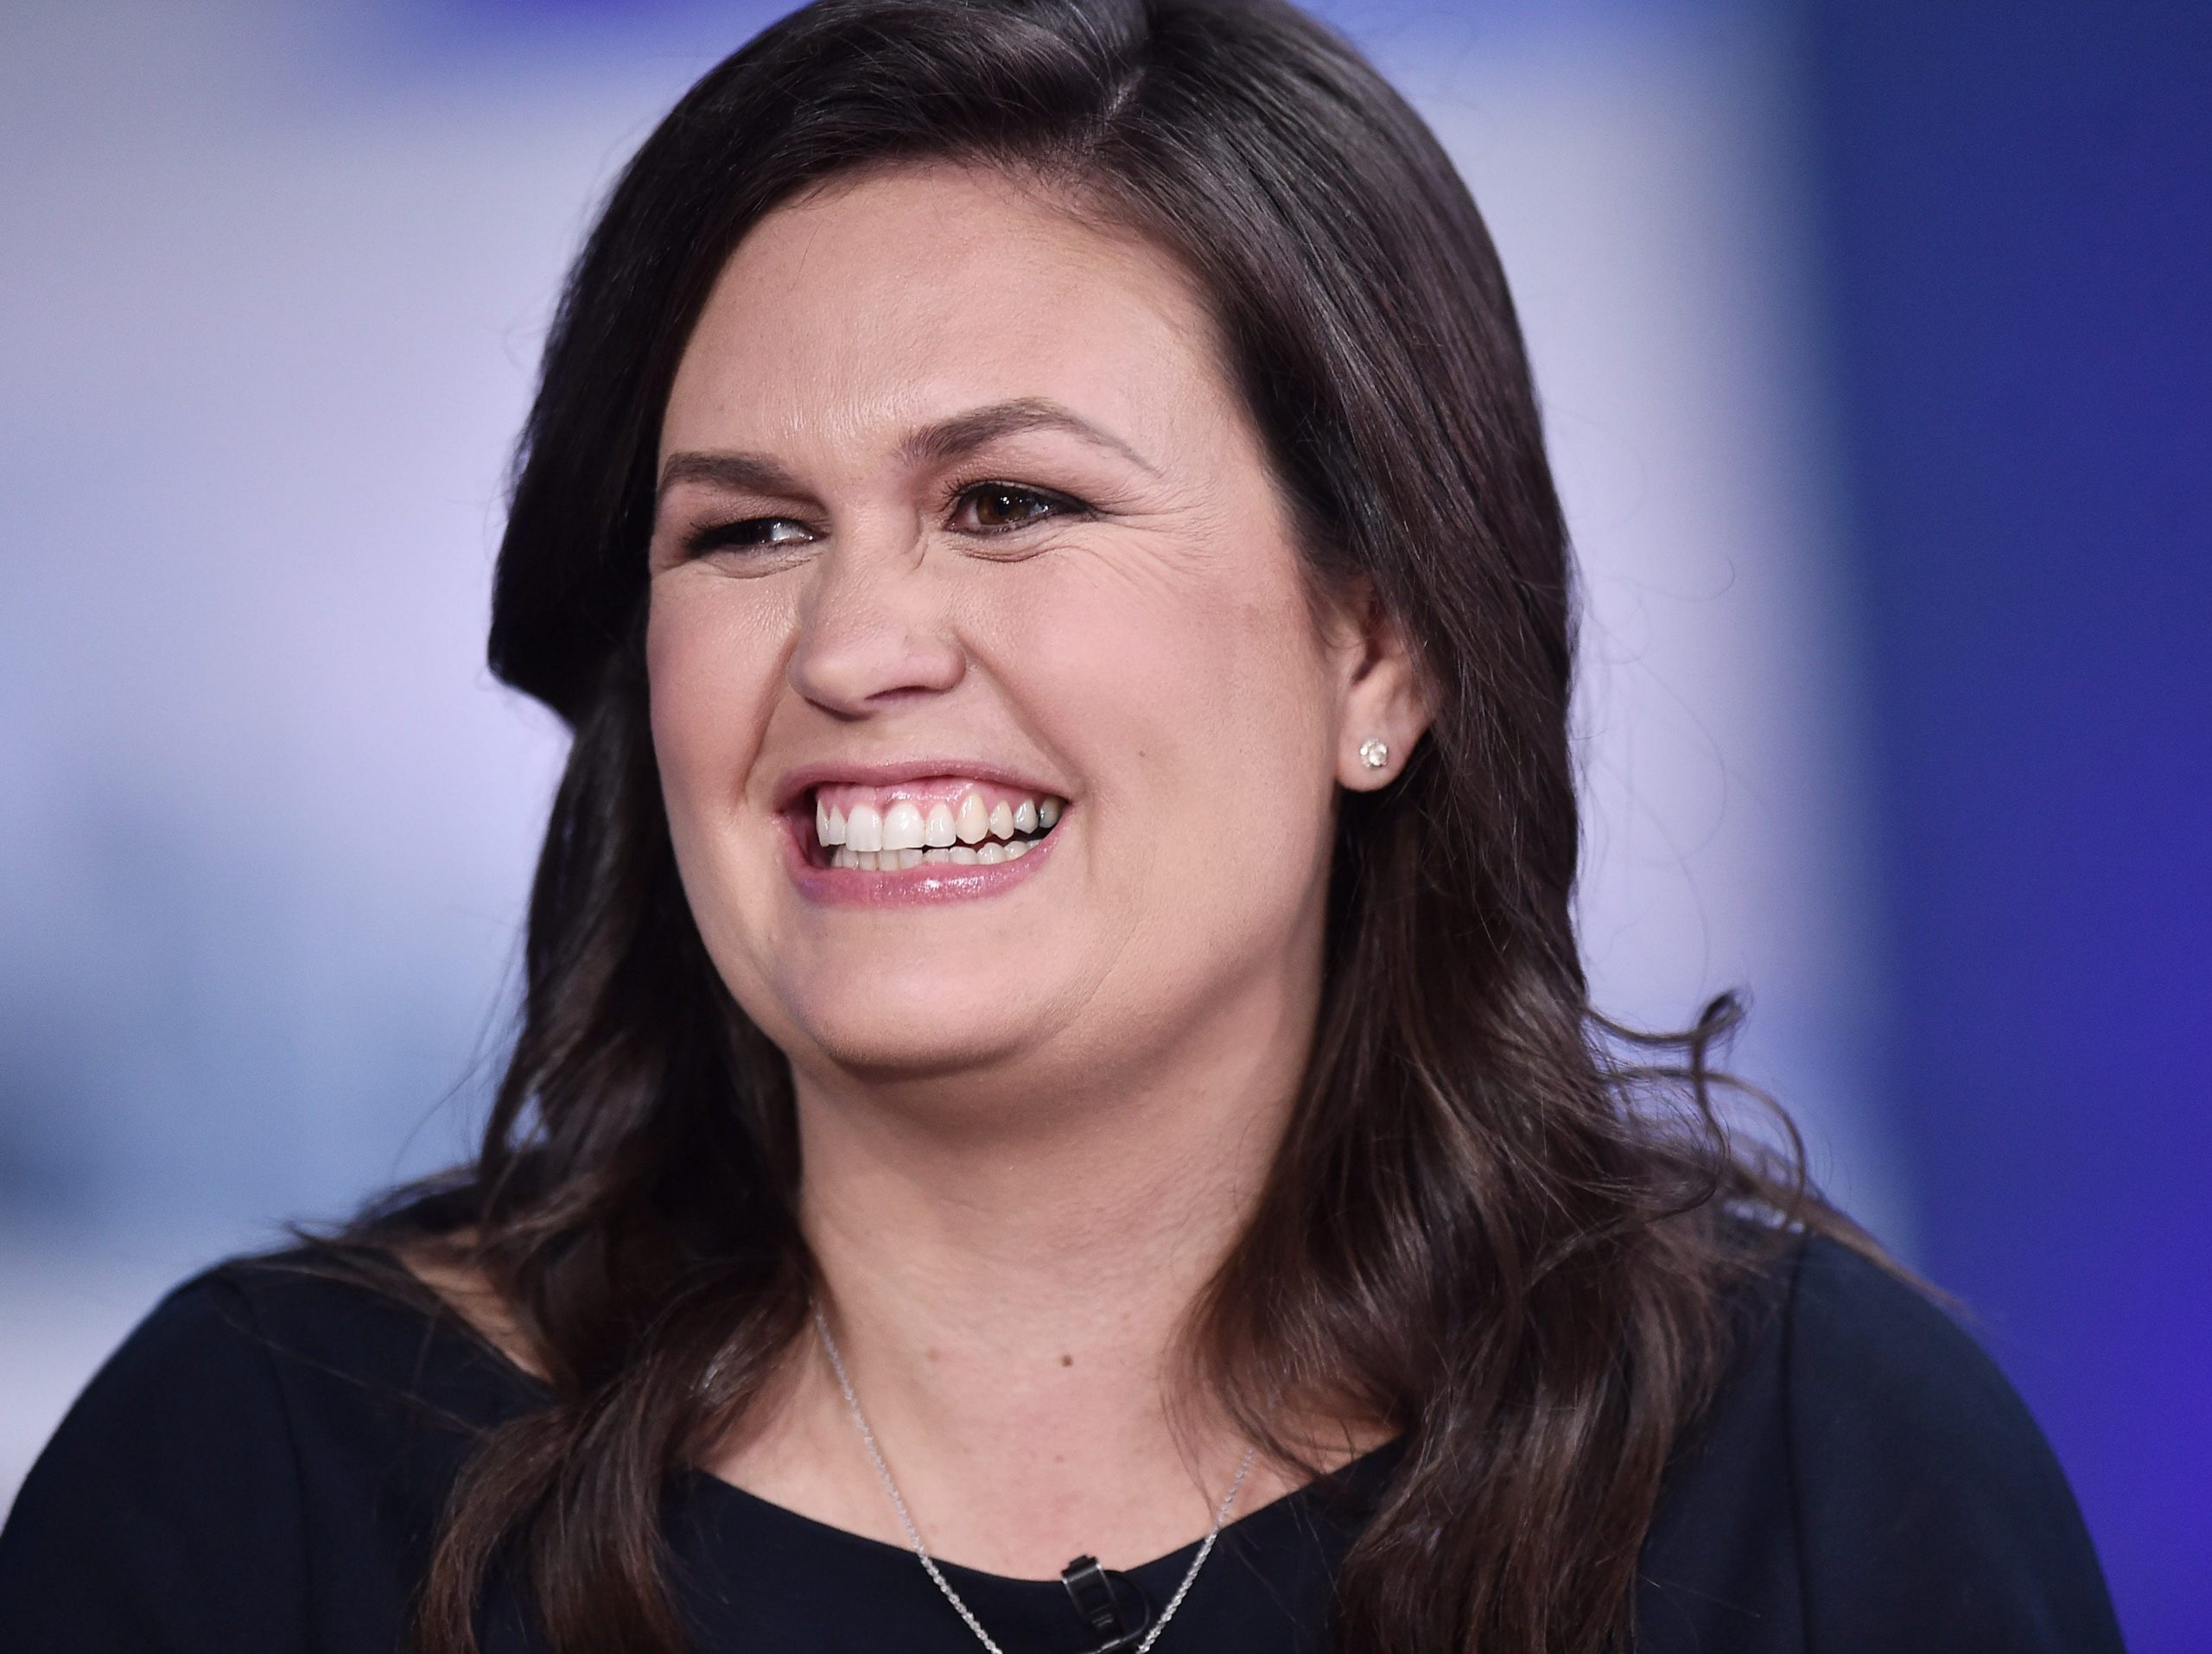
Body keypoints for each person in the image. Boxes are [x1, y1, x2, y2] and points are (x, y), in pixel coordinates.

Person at [0, 0, 2126, 1650]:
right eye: (744, 532)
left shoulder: (1815, 1480)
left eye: (1008, 503)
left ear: (1374, 653)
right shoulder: (268, 1482)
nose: (851, 644)